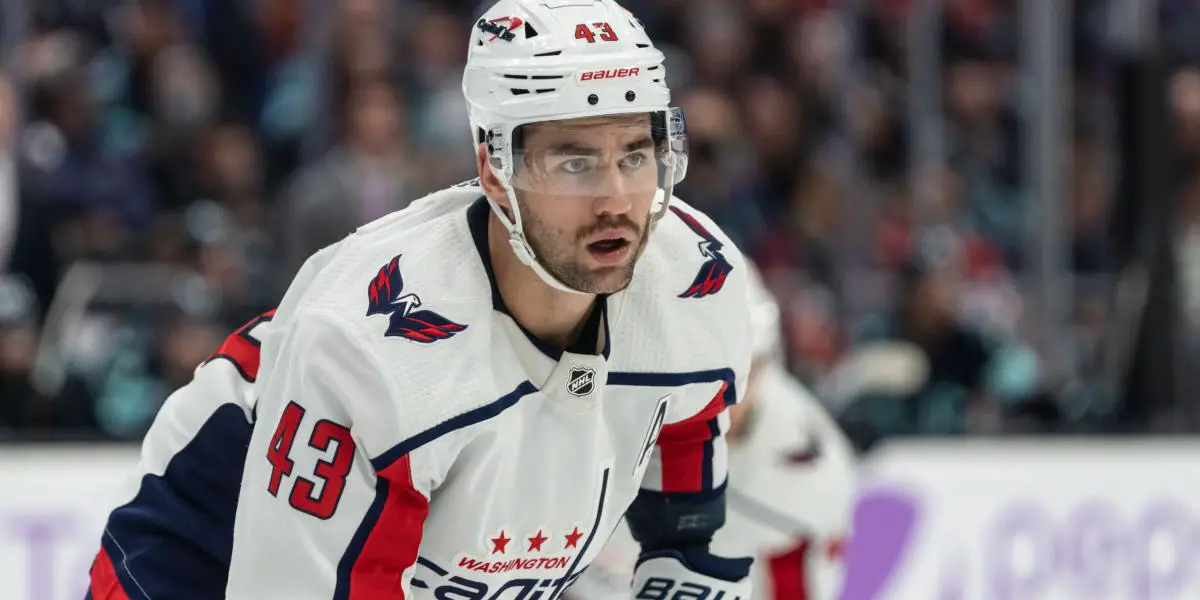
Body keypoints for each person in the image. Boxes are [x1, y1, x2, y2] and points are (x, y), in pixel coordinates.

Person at [85, 1, 757, 598]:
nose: (617, 200)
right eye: (575, 162)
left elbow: (689, 504)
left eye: (635, 155)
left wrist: (683, 551)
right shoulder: (367, 352)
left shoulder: (698, 283)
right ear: (495, 167)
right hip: (201, 555)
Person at [568, 266, 857, 600]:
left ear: (761, 369)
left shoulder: (808, 483)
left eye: (721, 377)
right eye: (680, 371)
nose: (697, 396)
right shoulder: (594, 395)